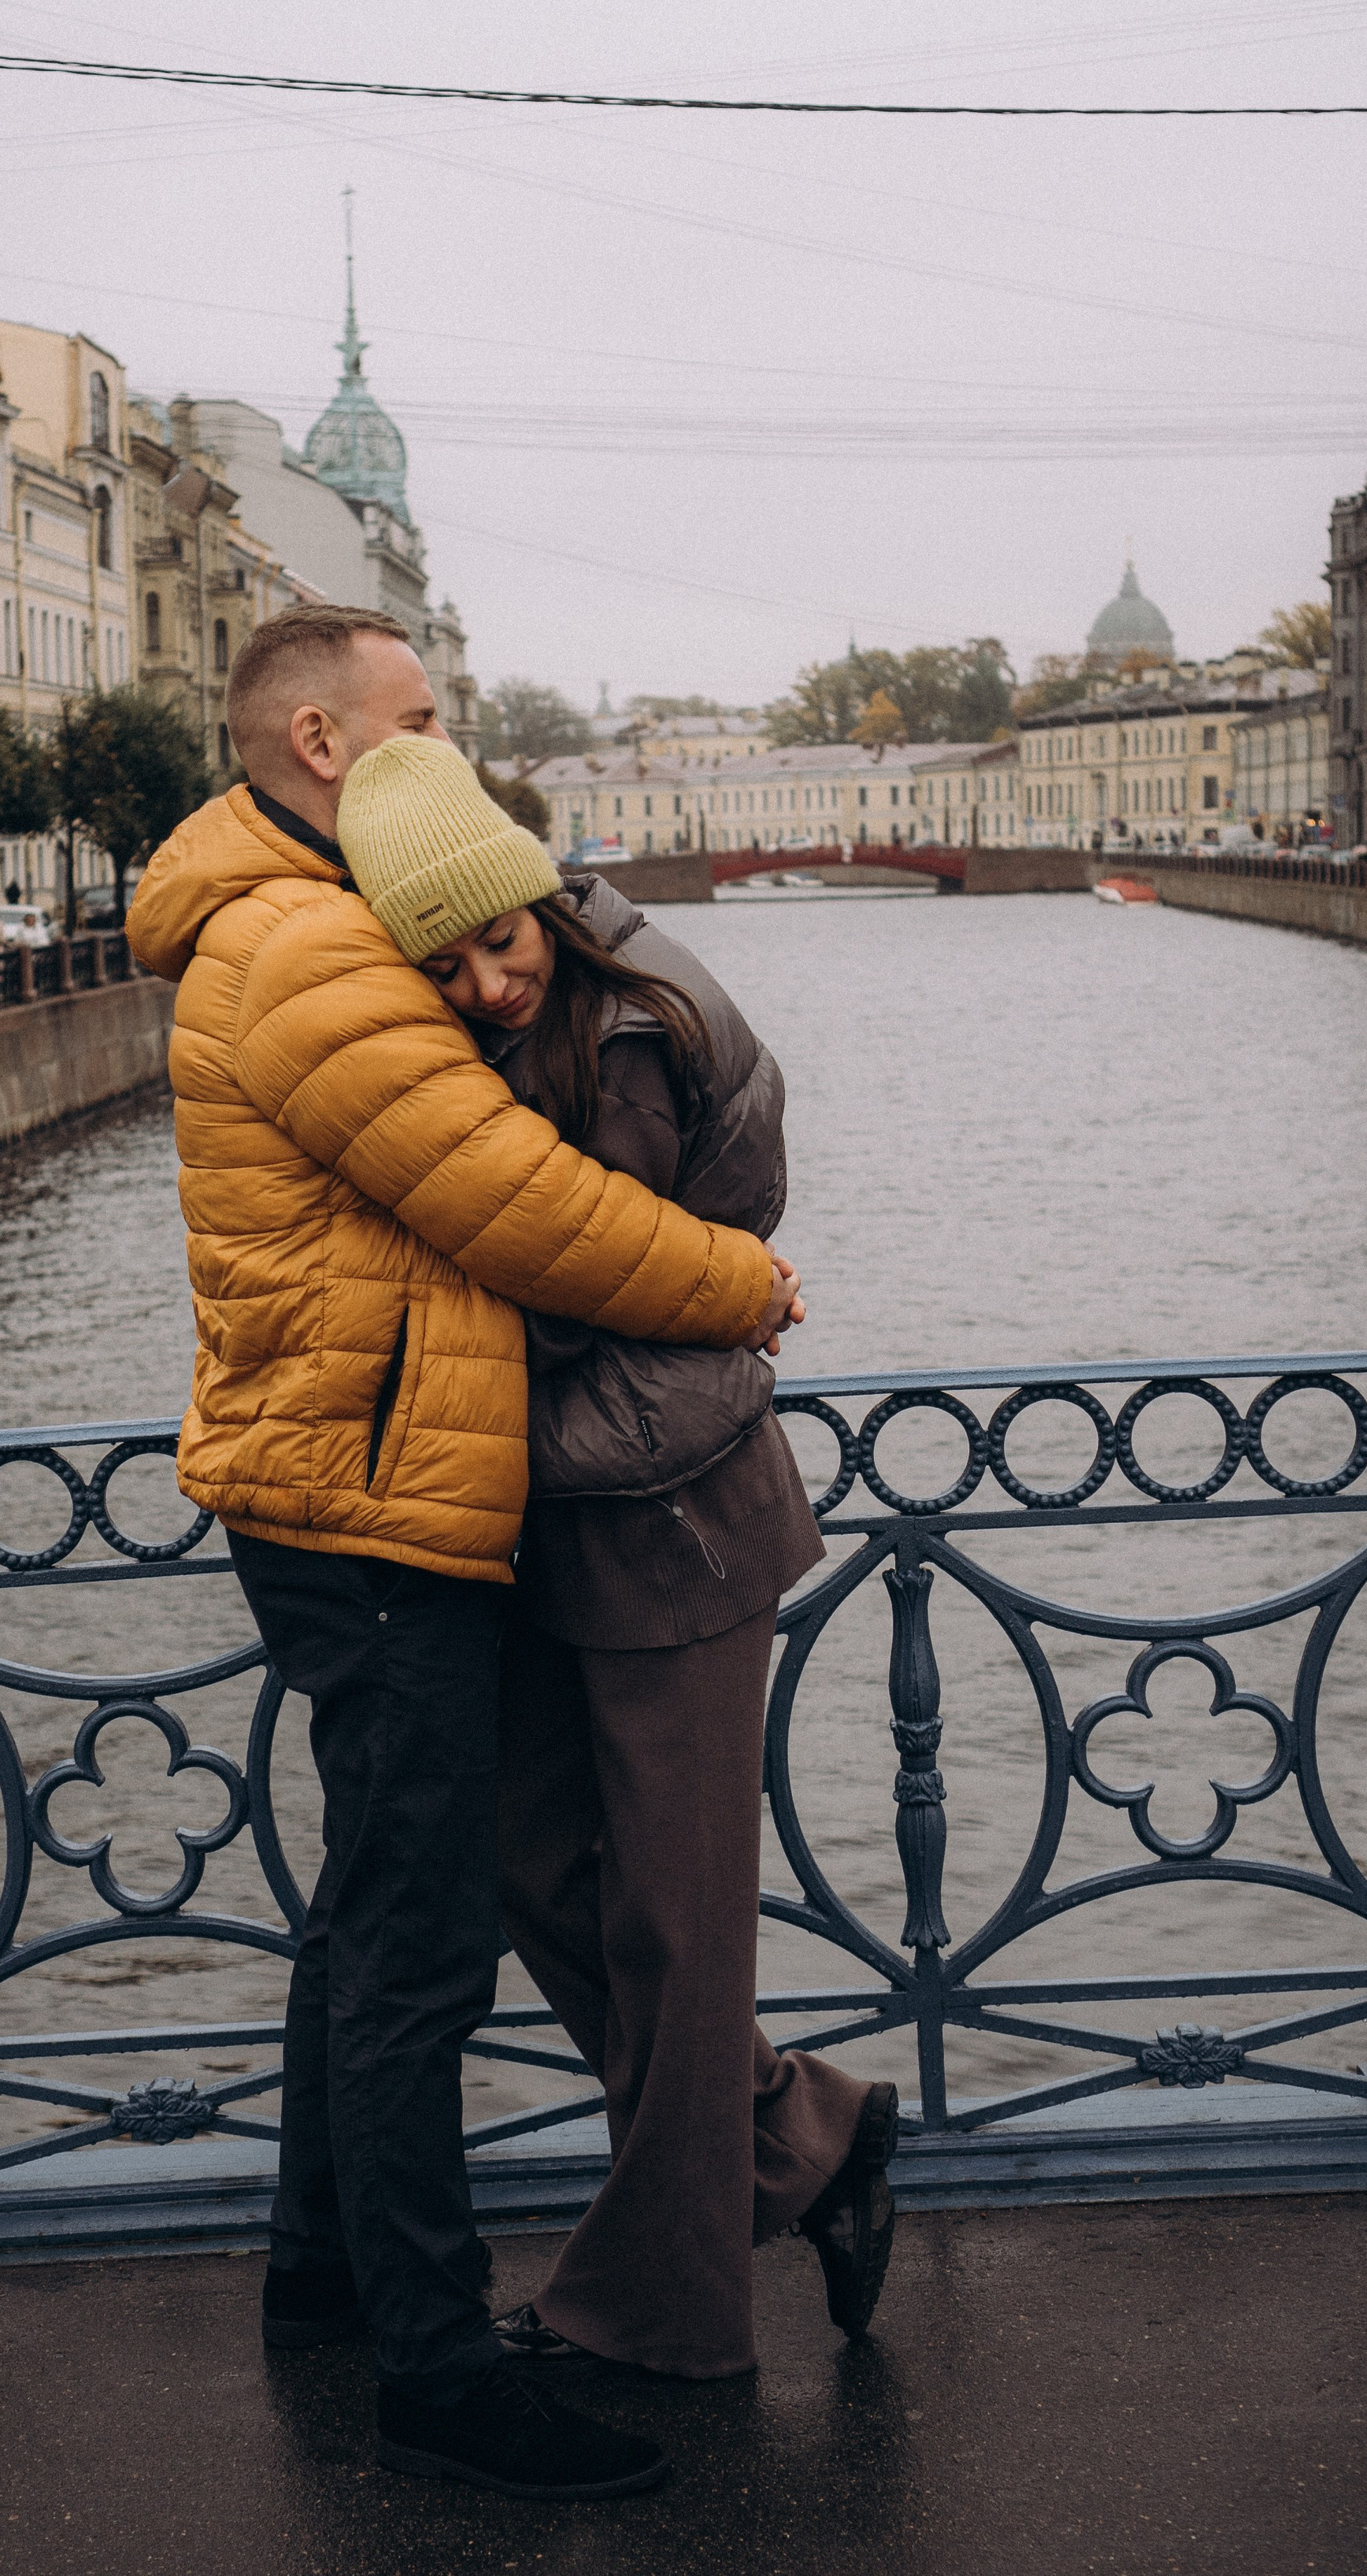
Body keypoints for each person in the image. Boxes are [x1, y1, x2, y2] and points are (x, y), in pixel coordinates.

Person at [126, 607, 797, 2501]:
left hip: (349, 1465)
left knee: (372, 1902)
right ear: (329, 742)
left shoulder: (307, 911)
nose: (452, 738)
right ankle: (434, 2365)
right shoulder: (303, 941)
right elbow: (511, 1203)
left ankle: (321, 2270)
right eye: (423, 715)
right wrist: (741, 1284)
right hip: (369, 1489)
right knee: (423, 1940)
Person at [336, 732, 900, 2383]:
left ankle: (659, 2315)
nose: (482, 986)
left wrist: (431, 1283)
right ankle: (807, 2141)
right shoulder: (550, 1012)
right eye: (438, 966)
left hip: (675, 1523)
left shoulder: (624, 1035)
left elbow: (598, 1274)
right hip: (568, 1508)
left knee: (671, 1926)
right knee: (534, 1870)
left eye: (494, 943)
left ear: (541, 905)